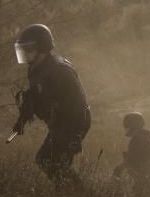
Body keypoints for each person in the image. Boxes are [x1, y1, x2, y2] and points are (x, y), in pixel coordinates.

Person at [12, 24, 91, 184]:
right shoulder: (35, 69)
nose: (25, 54)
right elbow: (35, 95)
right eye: (23, 50)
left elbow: (78, 103)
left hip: (73, 121)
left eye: (29, 49)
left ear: (42, 47)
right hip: (59, 122)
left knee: (54, 163)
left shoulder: (60, 70)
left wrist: (74, 134)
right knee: (46, 161)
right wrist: (22, 118)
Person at [112, 112, 150, 197]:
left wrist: (118, 170)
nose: (126, 129)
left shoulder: (137, 140)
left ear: (133, 126)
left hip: (149, 183)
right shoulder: (147, 137)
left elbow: (131, 162)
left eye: (127, 126)